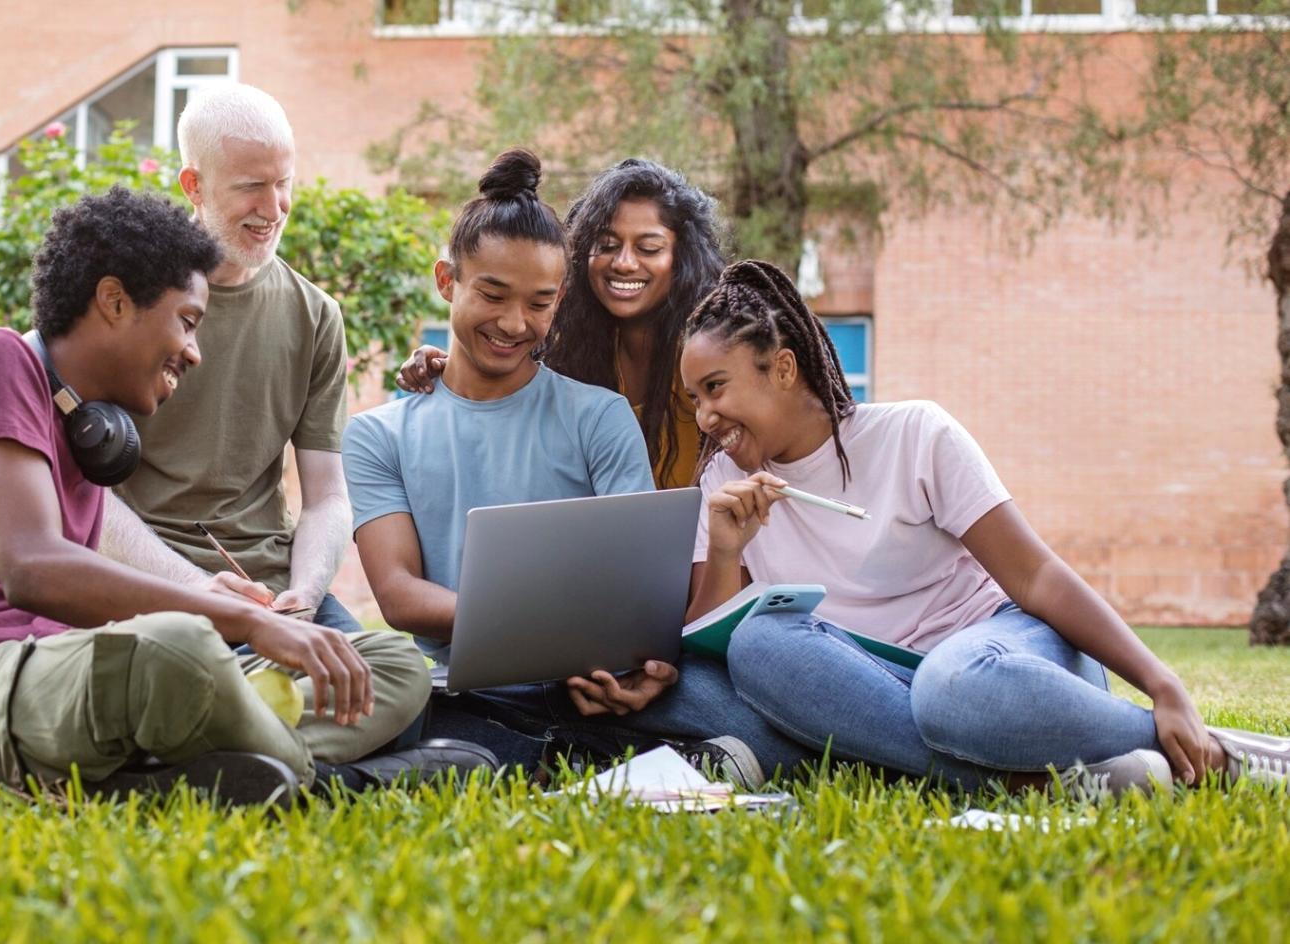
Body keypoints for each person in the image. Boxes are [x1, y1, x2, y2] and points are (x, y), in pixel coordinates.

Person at [0, 188, 488, 804]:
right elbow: (32, 566)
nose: (194, 351)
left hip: (73, 677)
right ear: (113, 301)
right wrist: (233, 618)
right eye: (187, 322)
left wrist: (208, 597)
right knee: (180, 650)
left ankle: (195, 771)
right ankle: (328, 781)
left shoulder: (85, 426)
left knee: (387, 664)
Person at [680, 259, 1290, 794]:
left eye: (715, 388)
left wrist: (1161, 682)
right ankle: (1026, 777)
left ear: (783, 368)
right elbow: (711, 645)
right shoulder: (722, 485)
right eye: (694, 399)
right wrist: (730, 550)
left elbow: (1037, 577)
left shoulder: (915, 435)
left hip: (997, 656)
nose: (706, 417)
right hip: (878, 685)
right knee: (760, 645)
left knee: (952, 690)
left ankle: (1205, 746)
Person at [346, 151, 816, 782]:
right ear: (446, 280)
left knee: (749, 707)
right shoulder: (378, 433)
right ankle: (588, 759)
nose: (514, 323)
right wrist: (544, 634)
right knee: (391, 688)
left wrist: (637, 662)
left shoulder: (600, 414)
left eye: (539, 303)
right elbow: (399, 595)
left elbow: (642, 584)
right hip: (461, 682)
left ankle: (515, 758)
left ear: (560, 297)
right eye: (491, 294)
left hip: (595, 676)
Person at [103, 81, 361, 633]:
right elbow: (83, 497)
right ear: (194, 185)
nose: (274, 209)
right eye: (251, 187)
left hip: (266, 583)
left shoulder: (316, 317)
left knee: (395, 683)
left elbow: (327, 499)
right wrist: (197, 591)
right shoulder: (126, 297)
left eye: (284, 183)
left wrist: (305, 596)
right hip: (144, 577)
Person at [397, 158, 726, 489]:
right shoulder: (568, 353)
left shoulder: (710, 357)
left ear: (683, 258)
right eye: (607, 245)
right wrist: (447, 368)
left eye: (649, 248)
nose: (624, 263)